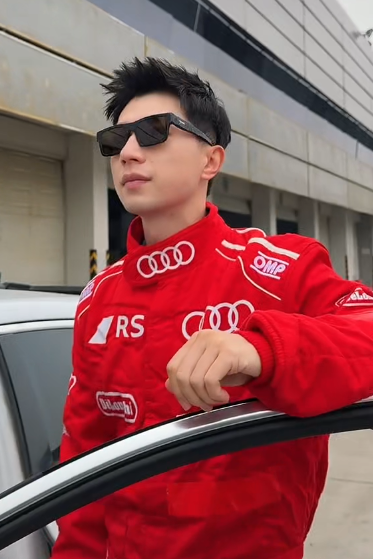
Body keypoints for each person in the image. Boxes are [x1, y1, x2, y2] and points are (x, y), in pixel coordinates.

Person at [51, 57, 373, 559]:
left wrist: (261, 349)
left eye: (153, 132)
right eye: (115, 140)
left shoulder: (278, 268)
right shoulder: (98, 300)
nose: (128, 153)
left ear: (211, 161)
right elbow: (83, 474)